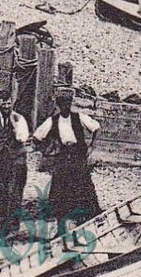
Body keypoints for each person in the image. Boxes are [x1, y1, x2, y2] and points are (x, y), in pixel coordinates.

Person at [32, 88, 101, 234]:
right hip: (63, 157)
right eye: (63, 103)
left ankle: (88, 224)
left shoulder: (79, 117)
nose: (66, 106)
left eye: (68, 103)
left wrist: (91, 147)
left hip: (78, 156)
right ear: (58, 104)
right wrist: (48, 151)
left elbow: (96, 128)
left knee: (84, 188)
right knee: (59, 192)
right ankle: (61, 228)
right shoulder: (53, 121)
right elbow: (37, 137)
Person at [0, 90, 30, 232]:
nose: (6, 105)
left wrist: (15, 128)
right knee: (2, 191)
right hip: (1, 160)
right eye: (3, 102)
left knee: (15, 192)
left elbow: (23, 138)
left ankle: (14, 225)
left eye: (8, 102)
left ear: (12, 102)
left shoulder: (19, 119)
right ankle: (3, 224)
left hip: (17, 160)